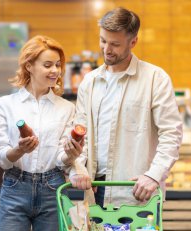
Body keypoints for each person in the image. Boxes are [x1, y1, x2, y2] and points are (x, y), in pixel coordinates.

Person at [68, 7, 183, 207]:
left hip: (138, 191)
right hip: (96, 190)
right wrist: (78, 168)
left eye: (115, 44)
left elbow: (171, 134)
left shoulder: (156, 78)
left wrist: (154, 176)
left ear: (133, 42)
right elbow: (81, 134)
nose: (106, 49)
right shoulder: (89, 81)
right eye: (103, 41)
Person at [0, 35, 83, 231]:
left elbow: (61, 157)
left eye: (58, 65)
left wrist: (71, 155)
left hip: (53, 188)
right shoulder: (5, 105)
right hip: (15, 187)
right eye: (48, 65)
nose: (55, 71)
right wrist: (18, 150)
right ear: (29, 66)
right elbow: (0, 156)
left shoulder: (66, 108)